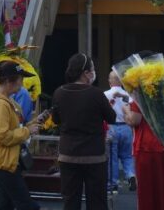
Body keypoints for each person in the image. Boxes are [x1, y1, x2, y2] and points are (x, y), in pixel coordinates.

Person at [51, 53, 114, 210]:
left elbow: (56, 120)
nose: (94, 72)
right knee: (97, 201)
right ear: (86, 73)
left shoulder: (59, 92)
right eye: (92, 69)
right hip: (94, 156)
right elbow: (111, 117)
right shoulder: (96, 94)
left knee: (70, 200)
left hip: (68, 155)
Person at [0, 60, 41, 210]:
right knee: (27, 206)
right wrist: (27, 131)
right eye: (20, 79)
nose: (22, 83)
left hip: (6, 161)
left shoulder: (7, 102)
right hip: (4, 162)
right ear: (8, 81)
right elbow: (2, 136)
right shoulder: (0, 105)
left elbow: (12, 129)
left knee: (5, 205)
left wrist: (29, 126)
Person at [124, 51, 164, 210]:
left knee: (147, 193)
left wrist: (126, 111)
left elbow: (135, 119)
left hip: (146, 146)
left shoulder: (140, 89)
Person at [103, 71, 135, 193]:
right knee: (127, 156)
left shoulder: (105, 95)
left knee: (112, 157)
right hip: (126, 127)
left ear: (111, 81)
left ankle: (113, 183)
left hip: (112, 128)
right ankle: (131, 175)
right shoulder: (128, 95)